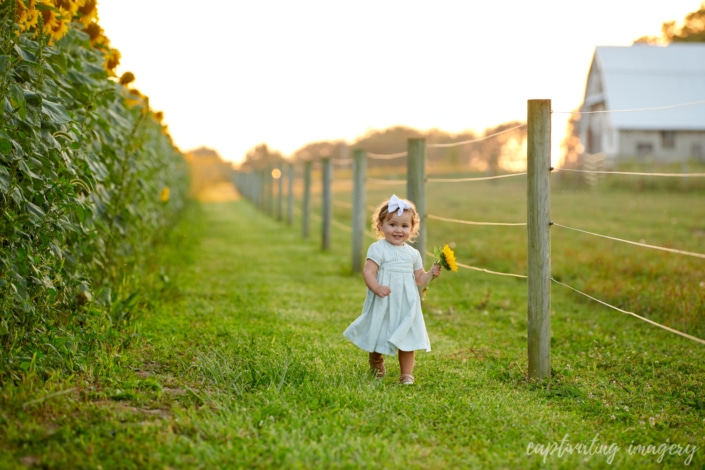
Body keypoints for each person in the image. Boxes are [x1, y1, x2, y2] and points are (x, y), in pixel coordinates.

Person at [343, 194, 441, 385]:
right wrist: (377, 287)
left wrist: (431, 273)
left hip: (406, 303)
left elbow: (419, 278)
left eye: (404, 226)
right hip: (384, 300)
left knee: (408, 337)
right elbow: (368, 272)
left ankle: (406, 374)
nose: (398, 230)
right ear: (380, 226)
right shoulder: (377, 249)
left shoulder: (413, 254)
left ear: (412, 229)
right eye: (393, 224)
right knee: (379, 331)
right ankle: (376, 359)